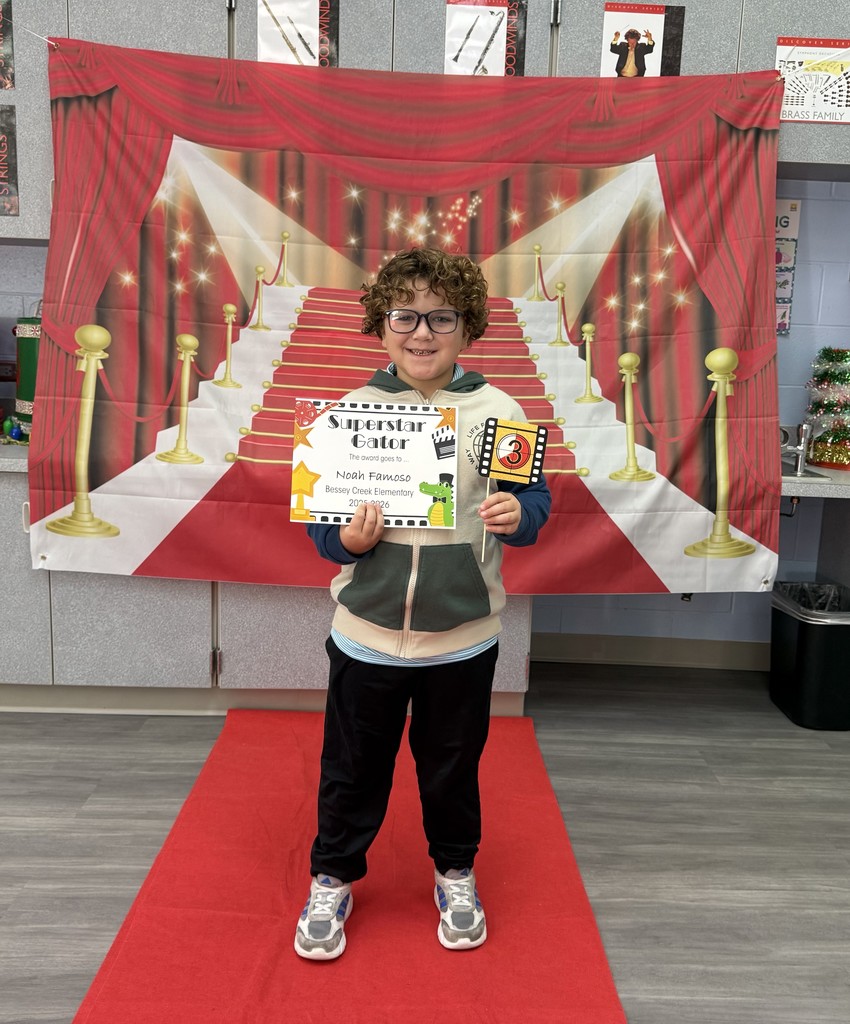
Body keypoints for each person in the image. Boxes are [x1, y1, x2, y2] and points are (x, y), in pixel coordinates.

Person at [294, 247, 551, 960]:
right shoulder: (349, 413)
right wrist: (344, 538)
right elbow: (323, 530)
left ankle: (455, 872)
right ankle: (333, 876)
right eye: (404, 314)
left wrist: (516, 516)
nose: (422, 331)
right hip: (365, 635)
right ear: (381, 325)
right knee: (352, 768)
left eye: (442, 316)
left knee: (451, 768)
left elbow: (535, 500)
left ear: (467, 327)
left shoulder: (500, 411)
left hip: (462, 637)